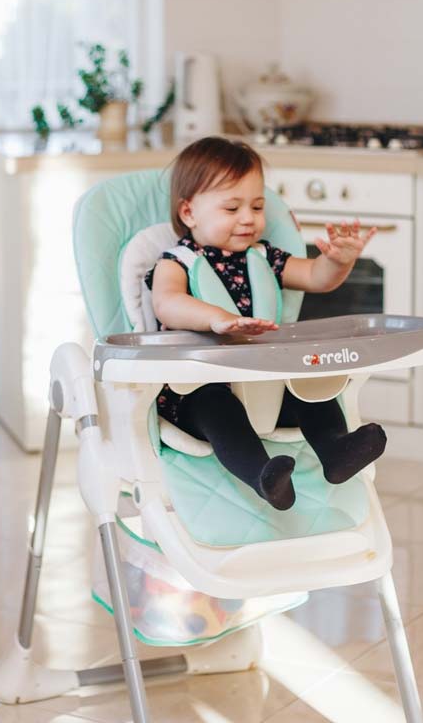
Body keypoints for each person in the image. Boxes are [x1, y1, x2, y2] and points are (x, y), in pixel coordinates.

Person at [145, 137, 386, 511]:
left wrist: (339, 261)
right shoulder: (176, 261)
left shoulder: (264, 256)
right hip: (196, 390)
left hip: (268, 385)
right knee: (216, 407)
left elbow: (315, 277)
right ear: (189, 212)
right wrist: (218, 320)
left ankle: (336, 451)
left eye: (257, 206)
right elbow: (167, 303)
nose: (249, 218)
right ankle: (264, 476)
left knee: (312, 390)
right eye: (232, 207)